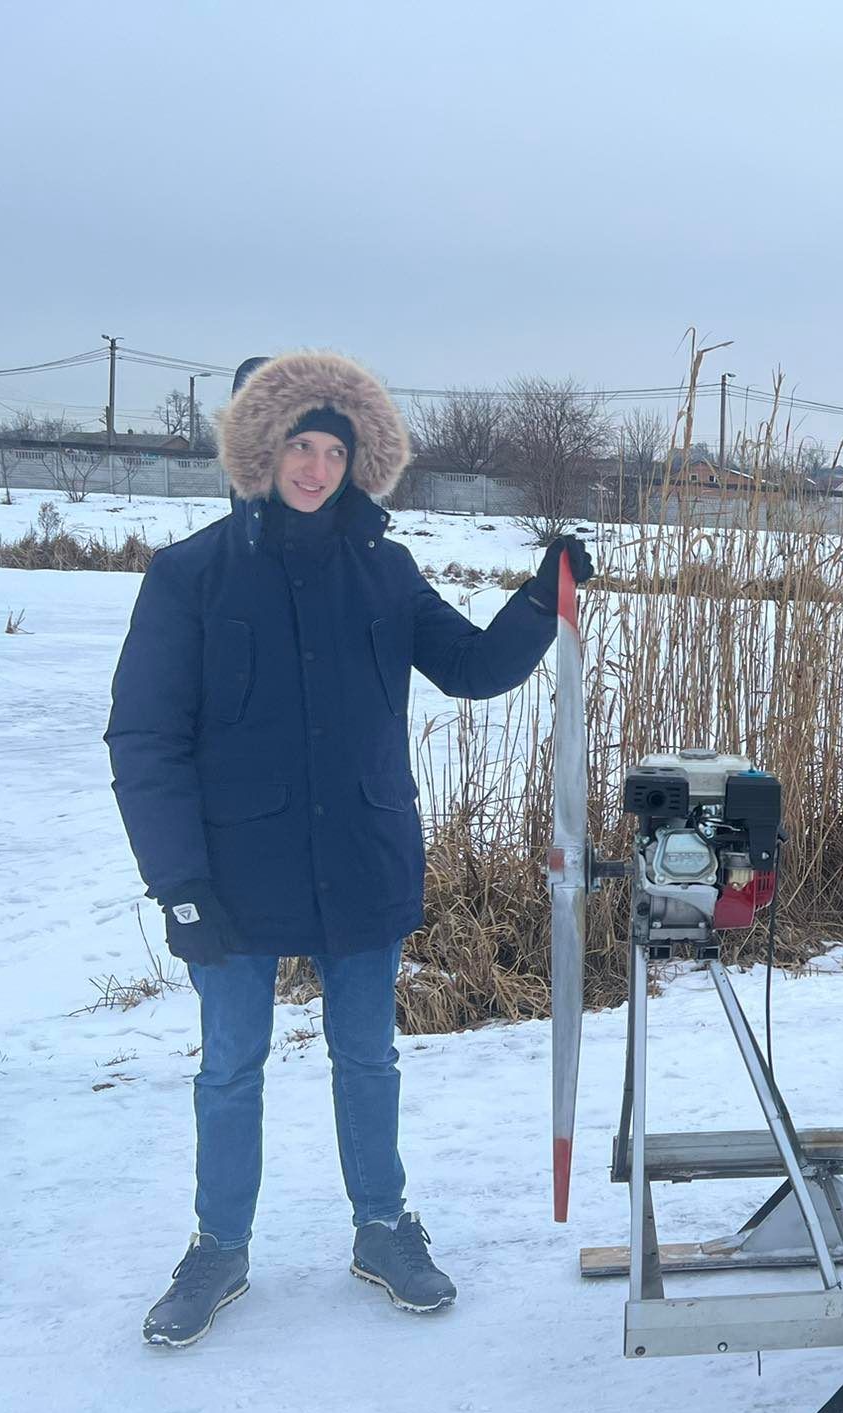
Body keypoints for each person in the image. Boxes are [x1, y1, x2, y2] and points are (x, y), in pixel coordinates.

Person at [106, 351, 591, 1347]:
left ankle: (383, 1230)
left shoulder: (383, 569)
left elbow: (470, 666)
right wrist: (179, 882)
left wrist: (542, 596)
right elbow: (145, 739)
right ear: (259, 447)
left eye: (334, 450)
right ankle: (218, 1247)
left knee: (367, 1057)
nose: (315, 468)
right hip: (231, 874)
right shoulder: (191, 574)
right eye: (299, 446)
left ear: (356, 459)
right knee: (230, 1065)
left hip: (362, 858)